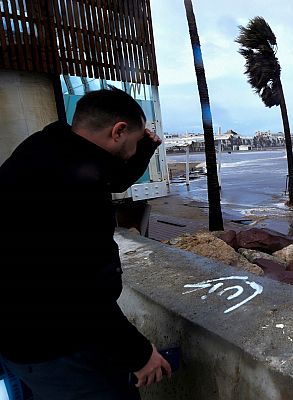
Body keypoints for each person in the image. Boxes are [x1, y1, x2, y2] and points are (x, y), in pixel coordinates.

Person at [0, 88, 171, 399]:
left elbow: (114, 177)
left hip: (16, 332)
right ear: (118, 130)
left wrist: (144, 148)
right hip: (52, 344)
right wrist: (140, 354)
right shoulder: (77, 187)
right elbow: (81, 292)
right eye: (132, 143)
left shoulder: (46, 148)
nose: (133, 153)